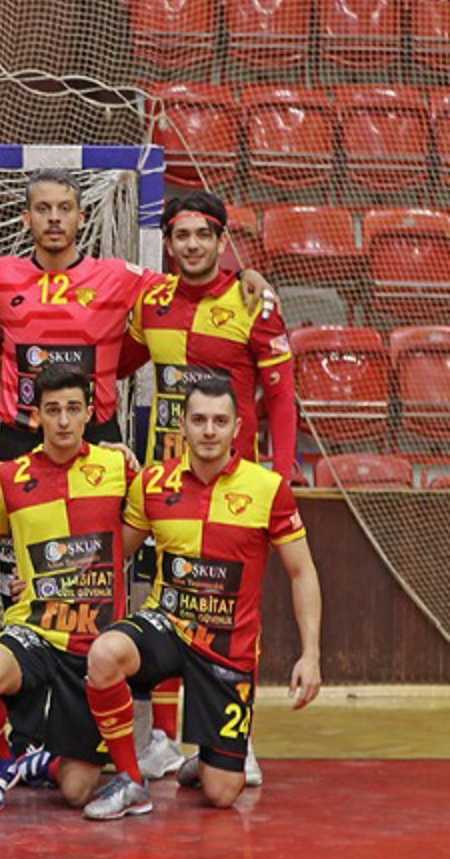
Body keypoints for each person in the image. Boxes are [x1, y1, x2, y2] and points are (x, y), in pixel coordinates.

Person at [0, 169, 272, 460]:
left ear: (82, 216)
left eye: (64, 209)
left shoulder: (120, 276)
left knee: (95, 557)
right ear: (26, 219)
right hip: (21, 436)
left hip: (96, 435)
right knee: (16, 562)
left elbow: (194, 278)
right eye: (43, 209)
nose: (54, 219)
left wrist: (244, 273)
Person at [81, 376, 322, 820]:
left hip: (227, 644)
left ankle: (208, 761)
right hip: (167, 625)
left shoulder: (268, 489)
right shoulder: (153, 483)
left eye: (219, 421)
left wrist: (311, 656)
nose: (209, 430)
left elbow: (302, 572)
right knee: (105, 653)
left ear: (237, 428)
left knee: (222, 793)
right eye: (199, 420)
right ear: (182, 426)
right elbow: (114, 553)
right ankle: (131, 779)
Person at [124, 191, 297, 782]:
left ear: (223, 241)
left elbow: (281, 397)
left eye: (204, 234)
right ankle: (158, 740)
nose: (193, 245)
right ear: (168, 243)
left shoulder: (254, 303)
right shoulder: (151, 303)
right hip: (164, 485)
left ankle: (235, 740)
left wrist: (282, 474)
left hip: (236, 487)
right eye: (182, 235)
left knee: (232, 611)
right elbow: (112, 363)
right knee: (159, 602)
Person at [0, 365, 136, 814]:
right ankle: (0, 758)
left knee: (76, 792)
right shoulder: (9, 477)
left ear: (90, 413)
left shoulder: (119, 467)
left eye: (74, 409)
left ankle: (40, 761)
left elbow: (151, 525)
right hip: (33, 630)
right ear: (36, 417)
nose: (64, 421)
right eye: (53, 410)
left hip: (93, 646)